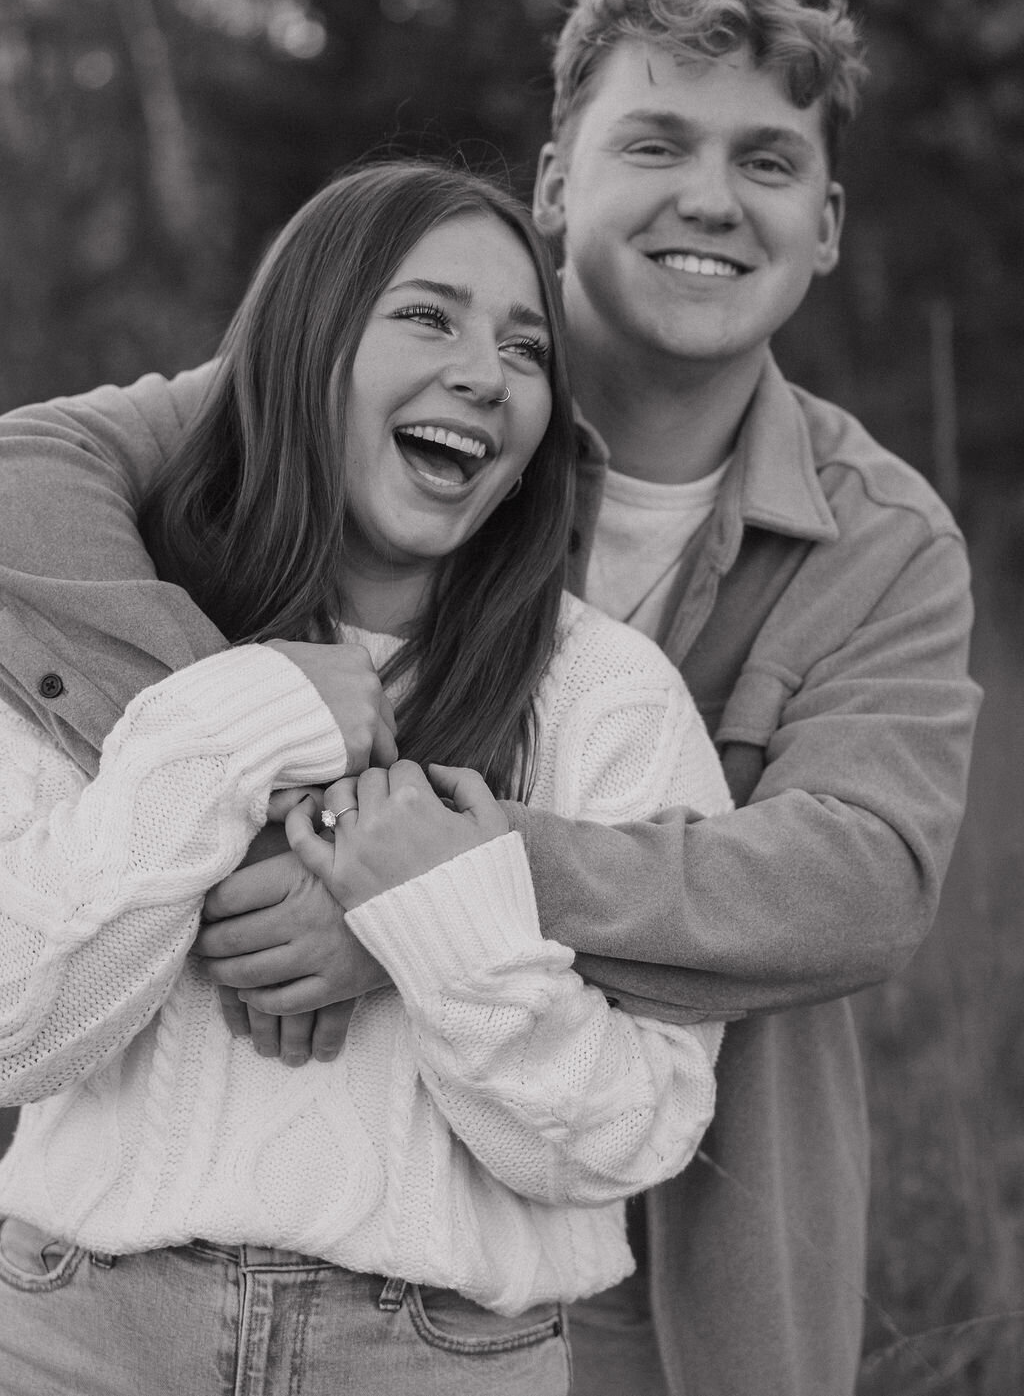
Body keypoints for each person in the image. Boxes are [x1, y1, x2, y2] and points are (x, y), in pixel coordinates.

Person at [0, 0, 980, 1395]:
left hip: (680, 1229)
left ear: (826, 223)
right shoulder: (376, 382)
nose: (712, 197)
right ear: (554, 185)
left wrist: (419, 880)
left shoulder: (884, 538)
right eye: (655, 140)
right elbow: (31, 470)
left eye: (766, 162)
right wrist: (273, 792)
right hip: (175, 1259)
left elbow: (863, 880)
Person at [0, 160, 735, 1396]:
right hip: (78, 1336)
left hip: (440, 1356)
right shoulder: (102, 646)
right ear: (306, 345)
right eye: (426, 314)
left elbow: (634, 1128)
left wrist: (433, 924)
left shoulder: (608, 693)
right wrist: (239, 721)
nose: (482, 372)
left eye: (525, 347)